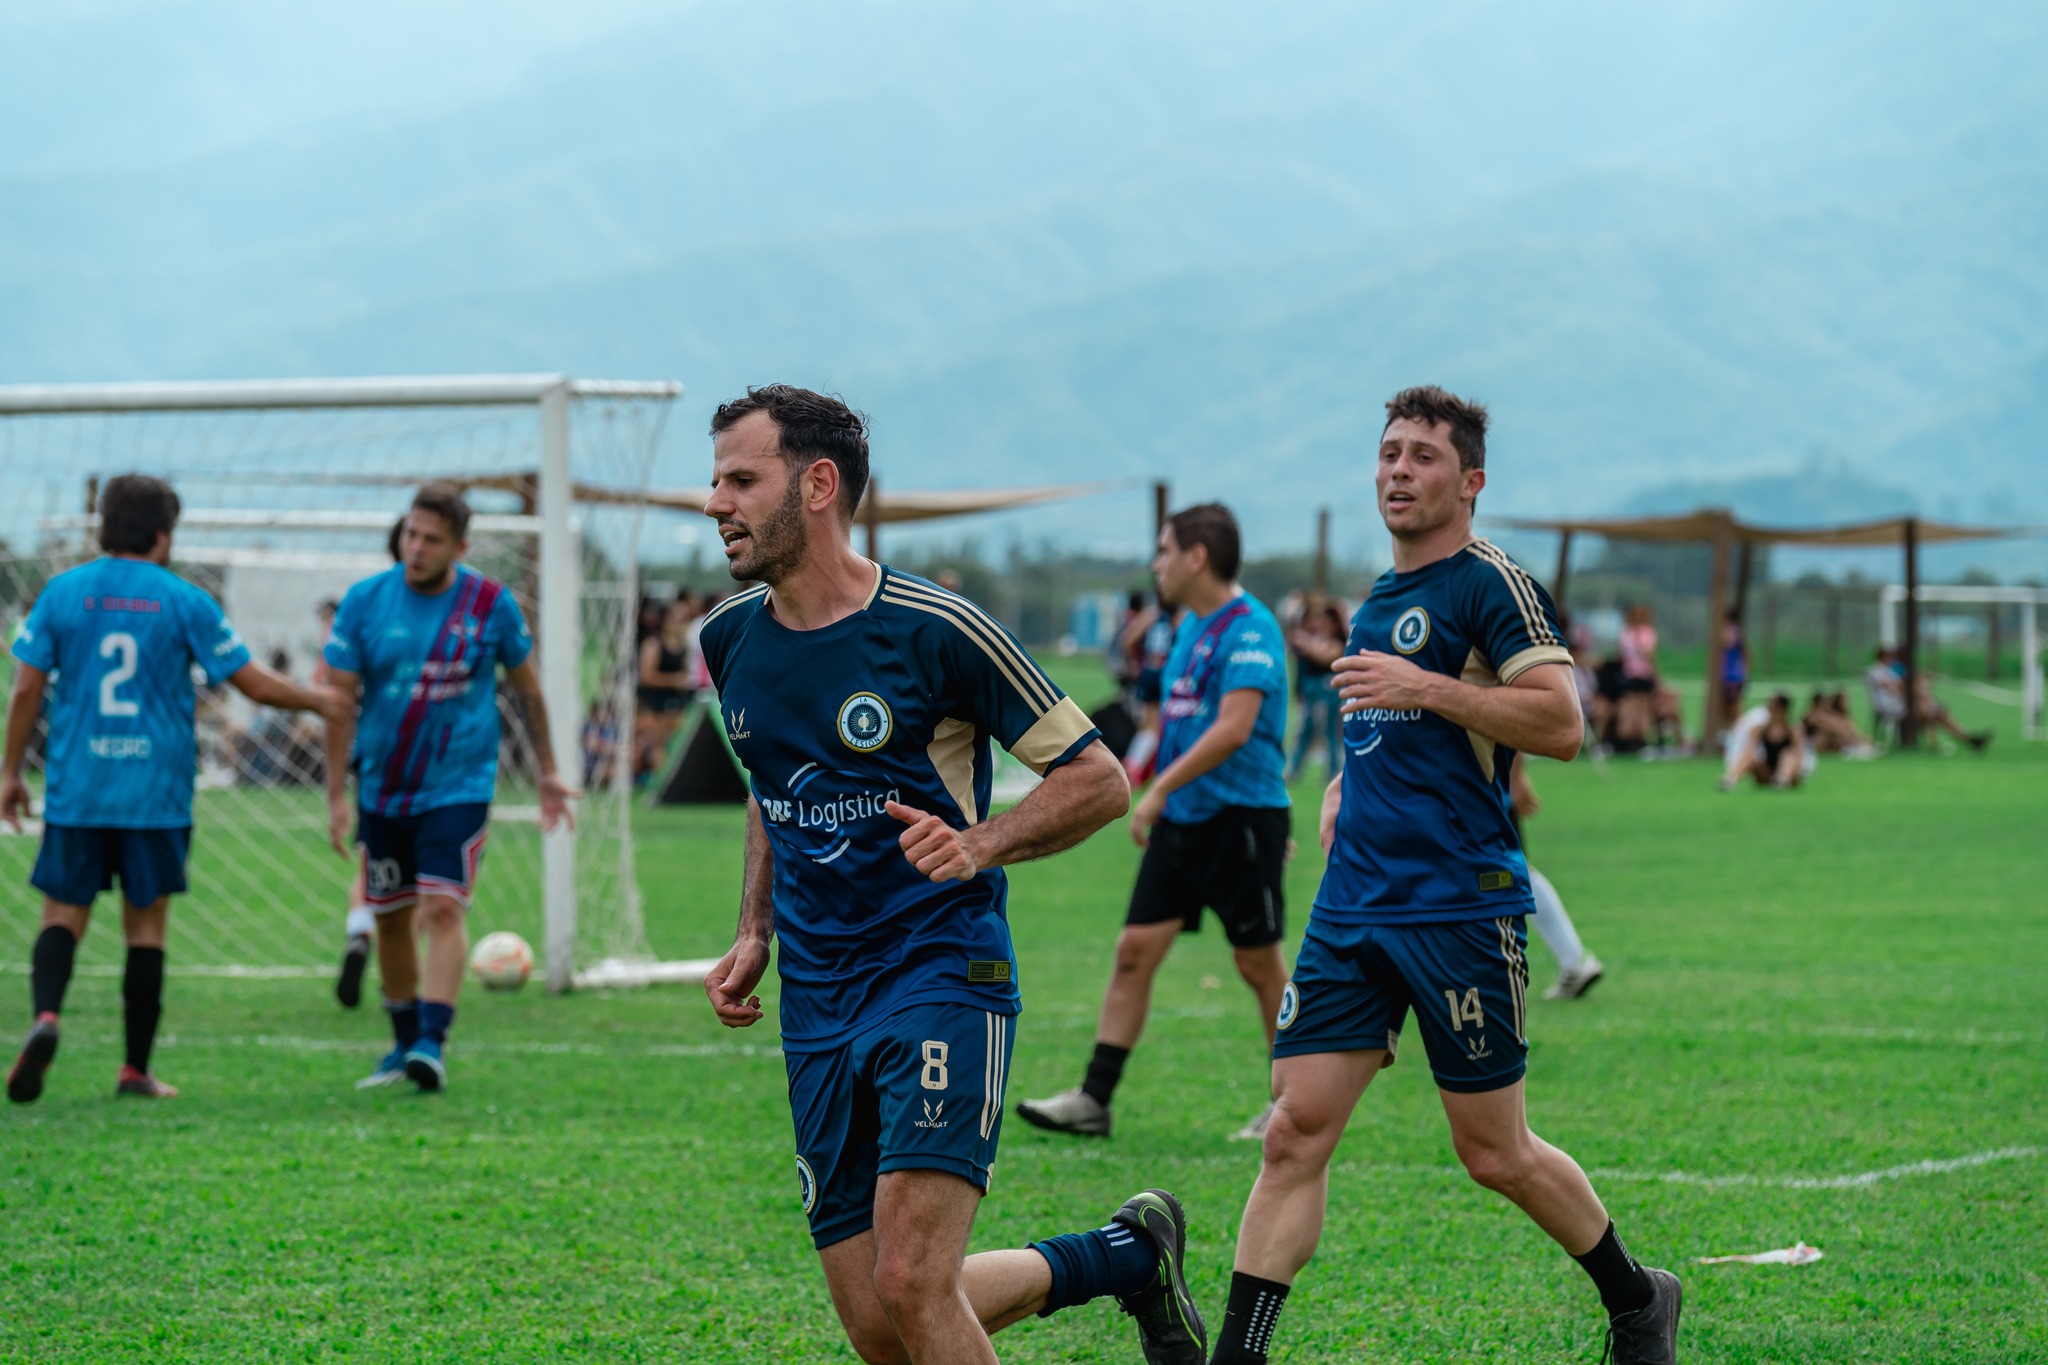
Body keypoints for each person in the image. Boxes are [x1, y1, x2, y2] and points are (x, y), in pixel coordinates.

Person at [695, 386, 1205, 1365]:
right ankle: (1126, 1257)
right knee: (878, 1328)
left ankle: (1125, 1258)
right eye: (716, 480)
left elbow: (1097, 779)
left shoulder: (937, 628)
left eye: (741, 480)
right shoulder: (730, 638)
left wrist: (980, 842)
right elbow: (771, 781)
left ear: (817, 485)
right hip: (817, 999)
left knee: (913, 1282)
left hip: (939, 972)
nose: (716, 502)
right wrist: (755, 928)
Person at [1207, 387, 1679, 1365]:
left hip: (1456, 905)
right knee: (1293, 1132)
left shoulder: (1490, 585)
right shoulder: (1378, 601)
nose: (1398, 470)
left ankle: (1638, 1297)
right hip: (1352, 905)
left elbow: (1560, 723)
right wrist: (1345, 781)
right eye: (1388, 452)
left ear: (1470, 482)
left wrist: (1422, 685)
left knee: (1492, 1152)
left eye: (1422, 456)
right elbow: (1396, 726)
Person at [3, 474, 344, 1103]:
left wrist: (9, 772)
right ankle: (134, 1070)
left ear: (104, 527)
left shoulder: (62, 592)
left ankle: (46, 1015)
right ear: (163, 535)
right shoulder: (185, 599)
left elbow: (26, 690)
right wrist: (319, 699)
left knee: (62, 914)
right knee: (145, 926)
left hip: (79, 787)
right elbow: (253, 684)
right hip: (155, 793)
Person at [1016, 503, 1292, 1145]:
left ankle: (1292, 1104)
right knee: (1134, 952)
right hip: (1182, 820)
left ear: (1198, 557)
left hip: (1239, 821)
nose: (1156, 563)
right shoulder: (1188, 627)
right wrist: (1159, 785)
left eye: (1165, 550)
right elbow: (1174, 721)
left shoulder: (1252, 628)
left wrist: (1157, 788)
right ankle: (1093, 1100)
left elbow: (1234, 728)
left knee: (1259, 965)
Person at [321, 483, 577, 1093]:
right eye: (411, 534)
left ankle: (432, 1042)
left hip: (459, 784)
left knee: (441, 905)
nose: (416, 548)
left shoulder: (490, 604)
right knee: (390, 917)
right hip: (383, 787)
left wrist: (547, 769)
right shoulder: (364, 602)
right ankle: (403, 1042)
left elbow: (528, 690)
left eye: (431, 540)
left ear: (459, 548)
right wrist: (334, 795)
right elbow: (337, 704)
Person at [332, 519, 405, 1010]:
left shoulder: (366, 605)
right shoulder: (449, 608)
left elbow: (335, 684)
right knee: (425, 883)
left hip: (375, 754)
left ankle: (360, 932)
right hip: (437, 762)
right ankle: (400, 975)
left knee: (371, 860)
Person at [1509, 754, 1605, 1001]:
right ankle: (1573, 961)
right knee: (1515, 873)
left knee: (1516, 872)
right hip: (1465, 784)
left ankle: (1574, 962)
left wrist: (1516, 776)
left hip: (1479, 785)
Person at [634, 594, 700, 781]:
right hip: (655, 702)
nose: (678, 622)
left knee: (675, 743)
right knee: (658, 743)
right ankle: (655, 782)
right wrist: (673, 680)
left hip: (676, 701)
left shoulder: (683, 646)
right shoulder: (653, 644)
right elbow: (645, 676)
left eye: (682, 618)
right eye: (674, 617)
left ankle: (668, 780)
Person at [1283, 596, 1345, 782]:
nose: (1318, 623)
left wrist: (1307, 643)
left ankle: (1333, 772)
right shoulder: (1311, 637)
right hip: (1310, 690)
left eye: (1323, 619)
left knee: (1329, 732)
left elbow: (1326, 656)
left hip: (1329, 690)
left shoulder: (1337, 640)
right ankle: (1294, 770)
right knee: (1305, 731)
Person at [1726, 692, 1805, 788]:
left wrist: (1795, 770)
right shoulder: (1760, 729)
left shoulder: (1793, 730)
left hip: (1789, 771)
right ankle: (1731, 778)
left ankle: (1782, 779)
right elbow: (1749, 749)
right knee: (1750, 756)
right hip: (1767, 772)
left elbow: (1799, 755)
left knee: (1787, 755)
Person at [1719, 609, 1749, 727]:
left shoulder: (1732, 630)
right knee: (1725, 707)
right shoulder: (1733, 630)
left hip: (1732, 676)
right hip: (1727, 675)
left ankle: (1738, 729)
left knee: (1734, 707)